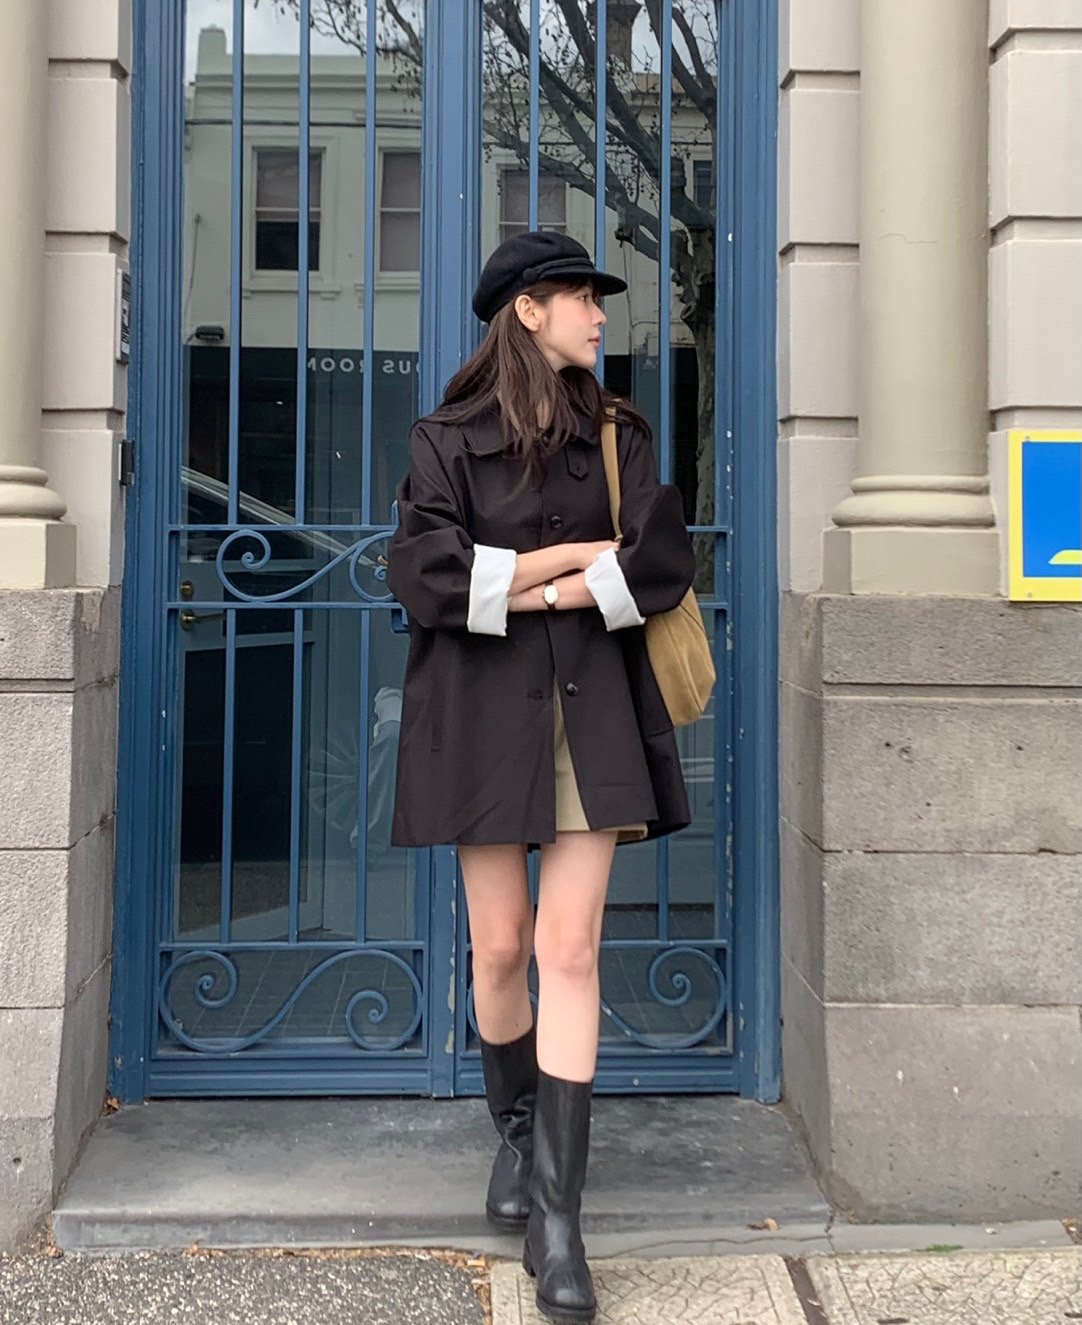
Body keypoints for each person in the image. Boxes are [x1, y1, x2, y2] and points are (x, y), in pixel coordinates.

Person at [385, 230, 697, 1324]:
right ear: (527, 310)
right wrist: (568, 558)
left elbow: (657, 559)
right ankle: (516, 1133)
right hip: (478, 715)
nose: (600, 314)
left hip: (589, 707)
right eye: (580, 297)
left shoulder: (619, 433)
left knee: (569, 947)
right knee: (503, 946)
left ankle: (559, 1219)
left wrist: (533, 586)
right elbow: (421, 574)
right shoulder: (445, 438)